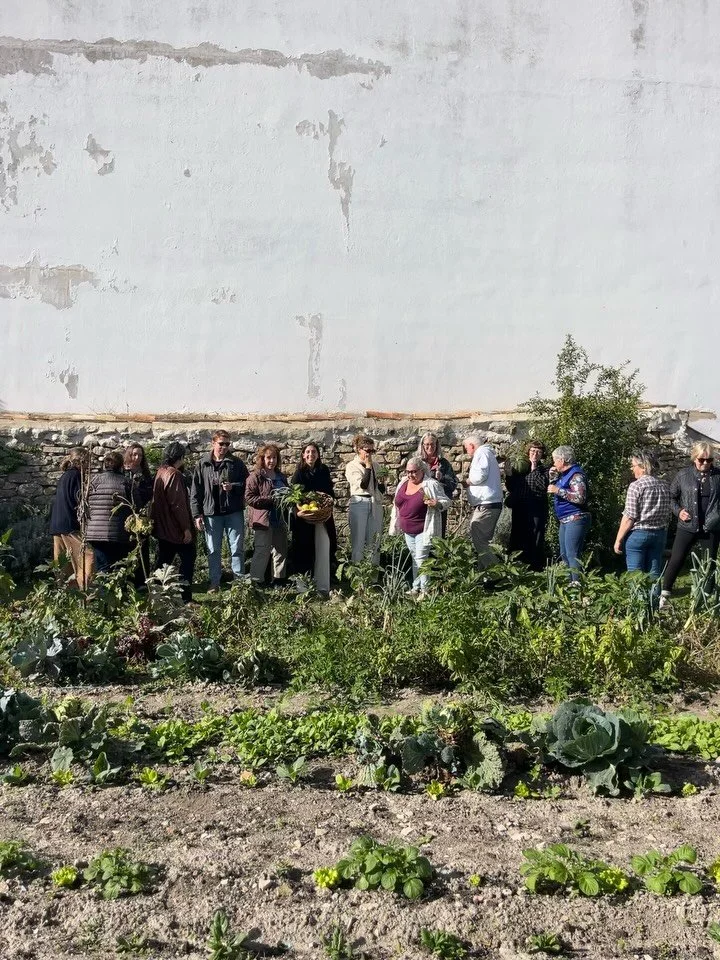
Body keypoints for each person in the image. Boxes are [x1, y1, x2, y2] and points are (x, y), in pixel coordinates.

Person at [660, 441, 720, 604]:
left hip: (711, 526)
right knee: (677, 558)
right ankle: (665, 595)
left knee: (709, 564)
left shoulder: (718, 476)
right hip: (688, 525)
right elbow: (671, 497)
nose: (705, 463)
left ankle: (706, 600)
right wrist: (679, 511)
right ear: (694, 458)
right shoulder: (683, 475)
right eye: (702, 460)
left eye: (709, 460)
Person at [190, 430, 249, 593]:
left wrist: (233, 486)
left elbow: (247, 485)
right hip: (211, 513)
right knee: (213, 549)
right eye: (221, 443)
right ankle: (214, 583)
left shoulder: (236, 463)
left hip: (233, 511)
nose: (224, 447)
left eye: (227, 444)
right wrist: (197, 514)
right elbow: (196, 491)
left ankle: (239, 584)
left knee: (236, 548)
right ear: (213, 443)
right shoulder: (203, 464)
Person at [389, 457, 450, 595]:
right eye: (408, 472)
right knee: (415, 557)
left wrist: (437, 504)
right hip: (407, 529)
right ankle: (416, 587)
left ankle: (425, 590)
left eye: (414, 472)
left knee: (421, 559)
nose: (410, 475)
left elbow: (446, 501)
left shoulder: (430, 484)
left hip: (423, 528)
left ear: (422, 471)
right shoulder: (403, 483)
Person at [613, 451, 670, 585]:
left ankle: (638, 604)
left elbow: (629, 516)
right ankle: (654, 602)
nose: (632, 469)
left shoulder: (636, 486)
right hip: (659, 533)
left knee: (635, 575)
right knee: (654, 574)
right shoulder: (664, 485)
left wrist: (618, 539)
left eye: (633, 466)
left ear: (643, 467)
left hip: (638, 534)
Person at [290, 442, 337, 596]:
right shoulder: (299, 474)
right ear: (303, 455)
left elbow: (330, 491)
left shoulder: (323, 471)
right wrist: (298, 511)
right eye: (308, 452)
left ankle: (323, 585)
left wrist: (327, 503)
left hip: (322, 516)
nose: (311, 454)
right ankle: (302, 586)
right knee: (304, 550)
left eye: (314, 452)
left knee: (324, 546)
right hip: (304, 519)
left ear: (318, 455)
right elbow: (293, 497)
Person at [152, 442, 196, 603]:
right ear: (180, 457)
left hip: (163, 527)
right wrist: (186, 528)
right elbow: (178, 505)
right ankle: (186, 598)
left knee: (162, 562)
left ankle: (156, 595)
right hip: (175, 528)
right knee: (187, 561)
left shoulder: (160, 472)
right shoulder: (174, 474)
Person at [49, 446, 95, 589]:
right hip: (69, 524)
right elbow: (79, 500)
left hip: (57, 524)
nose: (88, 464)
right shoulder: (76, 475)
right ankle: (87, 592)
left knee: (64, 563)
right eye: (86, 461)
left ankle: (65, 593)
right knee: (87, 556)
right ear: (80, 461)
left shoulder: (64, 476)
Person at [246, 443, 289, 586]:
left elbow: (287, 495)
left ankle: (278, 580)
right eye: (268, 458)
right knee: (262, 551)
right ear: (262, 459)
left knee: (280, 551)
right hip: (264, 520)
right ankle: (257, 581)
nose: (272, 461)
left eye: (274, 458)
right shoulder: (256, 476)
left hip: (279, 519)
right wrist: (270, 500)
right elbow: (249, 498)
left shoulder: (281, 477)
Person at [547, 445, 591, 581]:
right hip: (565, 520)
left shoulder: (576, 475)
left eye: (555, 460)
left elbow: (580, 497)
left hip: (575, 518)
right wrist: (553, 477)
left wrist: (557, 490)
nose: (554, 463)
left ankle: (576, 586)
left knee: (573, 554)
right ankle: (569, 584)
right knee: (564, 554)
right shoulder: (565, 475)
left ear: (562, 460)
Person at [504, 441, 550, 571]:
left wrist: (534, 468)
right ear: (528, 452)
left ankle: (535, 567)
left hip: (536, 507)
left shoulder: (545, 470)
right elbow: (511, 487)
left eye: (538, 452)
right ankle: (517, 566)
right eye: (533, 451)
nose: (535, 454)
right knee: (518, 535)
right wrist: (508, 474)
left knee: (535, 536)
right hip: (520, 507)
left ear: (542, 455)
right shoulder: (520, 468)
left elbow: (542, 486)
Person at [85, 451, 132, 574]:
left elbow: (84, 504)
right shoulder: (126, 482)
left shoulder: (93, 481)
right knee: (117, 568)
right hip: (117, 532)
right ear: (121, 465)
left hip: (95, 531)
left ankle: (103, 591)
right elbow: (134, 506)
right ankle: (112, 592)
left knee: (102, 568)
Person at [463, 433, 503, 570]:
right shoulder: (487, 453)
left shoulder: (481, 453)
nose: (466, 451)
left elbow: (480, 475)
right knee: (482, 540)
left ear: (472, 446)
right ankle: (484, 575)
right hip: (489, 502)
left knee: (479, 540)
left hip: (487, 503)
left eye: (466, 448)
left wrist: (468, 481)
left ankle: (498, 573)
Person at [345, 434, 385, 564]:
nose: (370, 454)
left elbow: (381, 489)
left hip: (375, 502)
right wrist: (368, 467)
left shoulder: (376, 466)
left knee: (374, 540)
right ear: (359, 450)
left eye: (372, 451)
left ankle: (372, 576)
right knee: (359, 540)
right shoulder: (352, 466)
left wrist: (382, 481)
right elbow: (363, 484)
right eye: (367, 450)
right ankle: (358, 576)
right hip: (360, 502)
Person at [123, 443, 154, 586]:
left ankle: (142, 580)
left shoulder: (146, 475)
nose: (137, 458)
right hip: (127, 514)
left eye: (140, 455)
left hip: (142, 515)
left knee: (142, 547)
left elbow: (150, 493)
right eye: (134, 454)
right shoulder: (123, 472)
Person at [416, 432, 457, 536]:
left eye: (433, 444)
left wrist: (442, 478)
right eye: (427, 444)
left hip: (438, 503)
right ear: (422, 446)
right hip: (419, 503)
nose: (430, 447)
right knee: (420, 532)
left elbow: (452, 484)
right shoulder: (418, 462)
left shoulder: (443, 463)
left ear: (437, 445)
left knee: (438, 534)